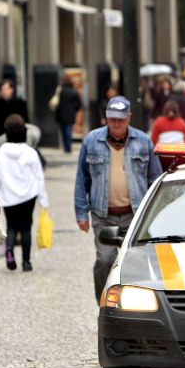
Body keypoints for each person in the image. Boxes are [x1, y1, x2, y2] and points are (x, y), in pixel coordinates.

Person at [74, 96, 162, 304]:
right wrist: (81, 213)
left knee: (136, 261)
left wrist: (155, 216)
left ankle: (135, 303)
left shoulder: (143, 141)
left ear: (129, 118)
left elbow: (154, 179)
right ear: (106, 118)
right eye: (113, 119)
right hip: (103, 215)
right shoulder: (91, 141)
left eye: (121, 119)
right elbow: (82, 180)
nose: (117, 124)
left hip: (135, 215)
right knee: (105, 260)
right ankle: (104, 302)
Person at [0, 114, 49, 272]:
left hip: (8, 197)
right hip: (28, 195)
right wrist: (44, 200)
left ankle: (9, 251)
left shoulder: (0, 153)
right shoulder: (30, 152)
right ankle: (26, 262)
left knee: (11, 226)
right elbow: (39, 177)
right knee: (26, 228)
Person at [55, 76, 82, 153]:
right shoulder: (73, 91)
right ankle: (68, 147)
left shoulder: (61, 91)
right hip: (70, 114)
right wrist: (74, 110)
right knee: (68, 130)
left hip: (61, 113)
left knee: (63, 130)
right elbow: (79, 104)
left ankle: (65, 147)